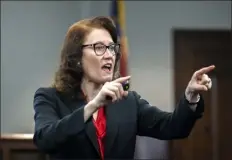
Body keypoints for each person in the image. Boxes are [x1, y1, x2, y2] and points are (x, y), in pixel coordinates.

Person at [33, 16, 215, 160]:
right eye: (99, 48)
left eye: (112, 48)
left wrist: (191, 96)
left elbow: (174, 127)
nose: (109, 55)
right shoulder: (50, 98)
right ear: (77, 58)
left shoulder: (128, 102)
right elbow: (45, 140)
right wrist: (93, 105)